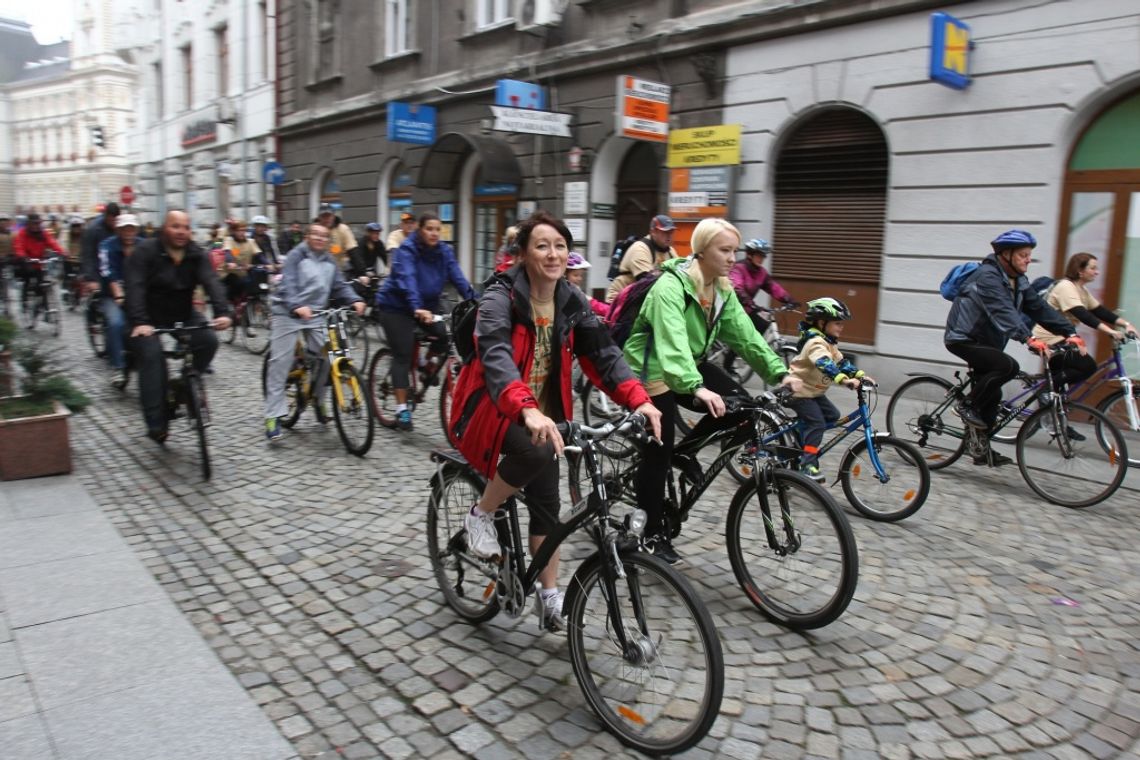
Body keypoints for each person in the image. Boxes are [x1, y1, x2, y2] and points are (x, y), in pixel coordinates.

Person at [449, 210, 662, 630]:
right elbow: (495, 357)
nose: (553, 253)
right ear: (524, 255)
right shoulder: (501, 298)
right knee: (539, 450)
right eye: (542, 245)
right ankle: (480, 513)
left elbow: (603, 353)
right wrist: (525, 406)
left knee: (549, 504)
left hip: (543, 418)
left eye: (560, 245)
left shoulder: (570, 299)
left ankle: (549, 595)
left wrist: (640, 401)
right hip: (490, 409)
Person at [623, 217, 800, 564]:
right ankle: (650, 534)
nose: (734, 257)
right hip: (651, 366)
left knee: (745, 409)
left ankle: (686, 453)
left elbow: (745, 335)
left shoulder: (721, 288)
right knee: (659, 450)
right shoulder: (670, 287)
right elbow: (671, 342)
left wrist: (779, 372)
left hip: (688, 361)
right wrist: (696, 388)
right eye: (725, 250)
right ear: (702, 250)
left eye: (735, 249)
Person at [944, 229, 1079, 466]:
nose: (1028, 259)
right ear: (1005, 255)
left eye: (1029, 255)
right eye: (1023, 255)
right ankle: (966, 405)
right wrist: (1028, 338)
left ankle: (979, 449)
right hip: (962, 338)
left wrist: (1069, 331)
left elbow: (1038, 308)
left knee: (993, 396)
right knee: (1007, 366)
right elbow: (1002, 310)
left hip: (988, 342)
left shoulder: (1018, 280)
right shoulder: (988, 277)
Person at [124, 210, 233, 444]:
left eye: (185, 227)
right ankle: (156, 422)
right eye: (175, 226)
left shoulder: (196, 254)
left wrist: (222, 312)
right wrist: (140, 322)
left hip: (182, 313)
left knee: (208, 341)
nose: (181, 232)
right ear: (164, 228)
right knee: (152, 357)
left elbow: (211, 281)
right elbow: (134, 287)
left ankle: (185, 385)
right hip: (147, 317)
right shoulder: (145, 252)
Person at [263, 224, 365, 443]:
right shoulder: (295, 256)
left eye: (324, 235)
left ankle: (319, 399)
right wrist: (297, 305)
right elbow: (288, 283)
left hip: (317, 313)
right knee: (280, 362)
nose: (320, 238)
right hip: (288, 312)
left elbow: (339, 285)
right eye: (315, 234)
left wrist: (354, 299)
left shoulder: (329, 260)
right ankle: (273, 416)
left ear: (328, 240)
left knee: (331, 355)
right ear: (307, 236)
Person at [376, 213, 476, 431]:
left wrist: (476, 301)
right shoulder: (407, 250)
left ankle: (425, 363)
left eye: (438, 229)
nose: (434, 233)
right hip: (397, 306)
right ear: (420, 230)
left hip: (428, 305)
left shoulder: (444, 251)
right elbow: (407, 278)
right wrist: (416, 307)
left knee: (444, 336)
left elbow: (458, 278)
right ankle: (401, 409)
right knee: (402, 354)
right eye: (429, 228)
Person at [786, 298, 873, 482]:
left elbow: (841, 363)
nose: (841, 327)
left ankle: (802, 439)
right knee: (816, 422)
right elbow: (823, 362)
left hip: (813, 393)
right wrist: (844, 380)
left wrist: (860, 375)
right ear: (822, 322)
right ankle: (807, 463)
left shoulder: (830, 343)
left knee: (832, 415)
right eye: (838, 323)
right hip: (798, 392)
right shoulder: (816, 343)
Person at [1032, 252, 1136, 394]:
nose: (1097, 272)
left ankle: (1048, 406)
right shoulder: (1065, 287)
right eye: (1093, 268)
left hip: (1062, 338)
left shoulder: (1081, 290)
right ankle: (1044, 391)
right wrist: (1110, 331)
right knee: (1087, 366)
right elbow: (1082, 314)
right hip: (1048, 338)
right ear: (1080, 271)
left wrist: (1126, 324)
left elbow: (1099, 311)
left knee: (1060, 390)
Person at [723, 238, 797, 373]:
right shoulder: (738, 268)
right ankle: (727, 365)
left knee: (763, 324)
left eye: (763, 256)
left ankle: (747, 349)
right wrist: (751, 304)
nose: (761, 259)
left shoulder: (761, 273)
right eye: (759, 255)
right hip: (731, 307)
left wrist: (789, 300)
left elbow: (773, 287)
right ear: (749, 255)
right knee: (740, 335)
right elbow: (737, 289)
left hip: (747, 308)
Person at [97, 214, 141, 376]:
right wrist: (118, 294)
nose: (129, 233)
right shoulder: (107, 246)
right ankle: (118, 366)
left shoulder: (143, 245)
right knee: (116, 323)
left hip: (137, 293)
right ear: (118, 230)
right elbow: (107, 271)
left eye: (132, 229)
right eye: (125, 229)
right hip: (112, 294)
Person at [605, 214, 678, 303]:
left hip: (640, 300)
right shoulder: (640, 248)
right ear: (653, 232)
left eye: (671, 232)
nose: (669, 235)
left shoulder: (670, 251)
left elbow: (679, 276)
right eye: (665, 232)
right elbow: (647, 281)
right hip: (620, 300)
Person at [12, 212, 65, 313]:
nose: (36, 226)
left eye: (38, 224)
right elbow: (19, 247)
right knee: (27, 280)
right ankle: (25, 302)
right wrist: (23, 257)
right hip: (26, 261)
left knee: (42, 284)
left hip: (39, 262)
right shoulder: (23, 234)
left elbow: (52, 243)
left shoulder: (43, 233)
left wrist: (62, 253)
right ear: (28, 224)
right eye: (34, 224)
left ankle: (45, 307)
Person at [79, 203, 120, 295]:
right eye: (111, 220)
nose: (113, 224)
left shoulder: (119, 228)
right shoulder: (93, 229)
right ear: (106, 216)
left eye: (115, 221)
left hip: (112, 274)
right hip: (97, 274)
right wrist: (91, 279)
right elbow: (88, 256)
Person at [219, 219, 261, 302]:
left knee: (254, 284)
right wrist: (230, 262)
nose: (242, 233)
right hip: (229, 272)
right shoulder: (229, 240)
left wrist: (269, 264)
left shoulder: (250, 242)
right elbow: (228, 252)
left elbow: (259, 255)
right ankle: (230, 302)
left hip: (242, 272)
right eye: (239, 230)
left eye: (244, 230)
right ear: (234, 231)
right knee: (238, 283)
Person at [564, 252, 608, 318]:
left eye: (581, 275)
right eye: (575, 275)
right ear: (565, 274)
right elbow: (593, 304)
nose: (579, 278)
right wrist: (611, 311)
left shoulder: (575, 290)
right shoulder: (567, 291)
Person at [318, 205, 357, 272]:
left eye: (329, 216)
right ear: (320, 218)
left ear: (333, 216)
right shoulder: (316, 230)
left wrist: (362, 273)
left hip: (340, 269)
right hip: (321, 269)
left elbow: (353, 251)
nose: (326, 219)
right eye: (323, 216)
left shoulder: (342, 229)